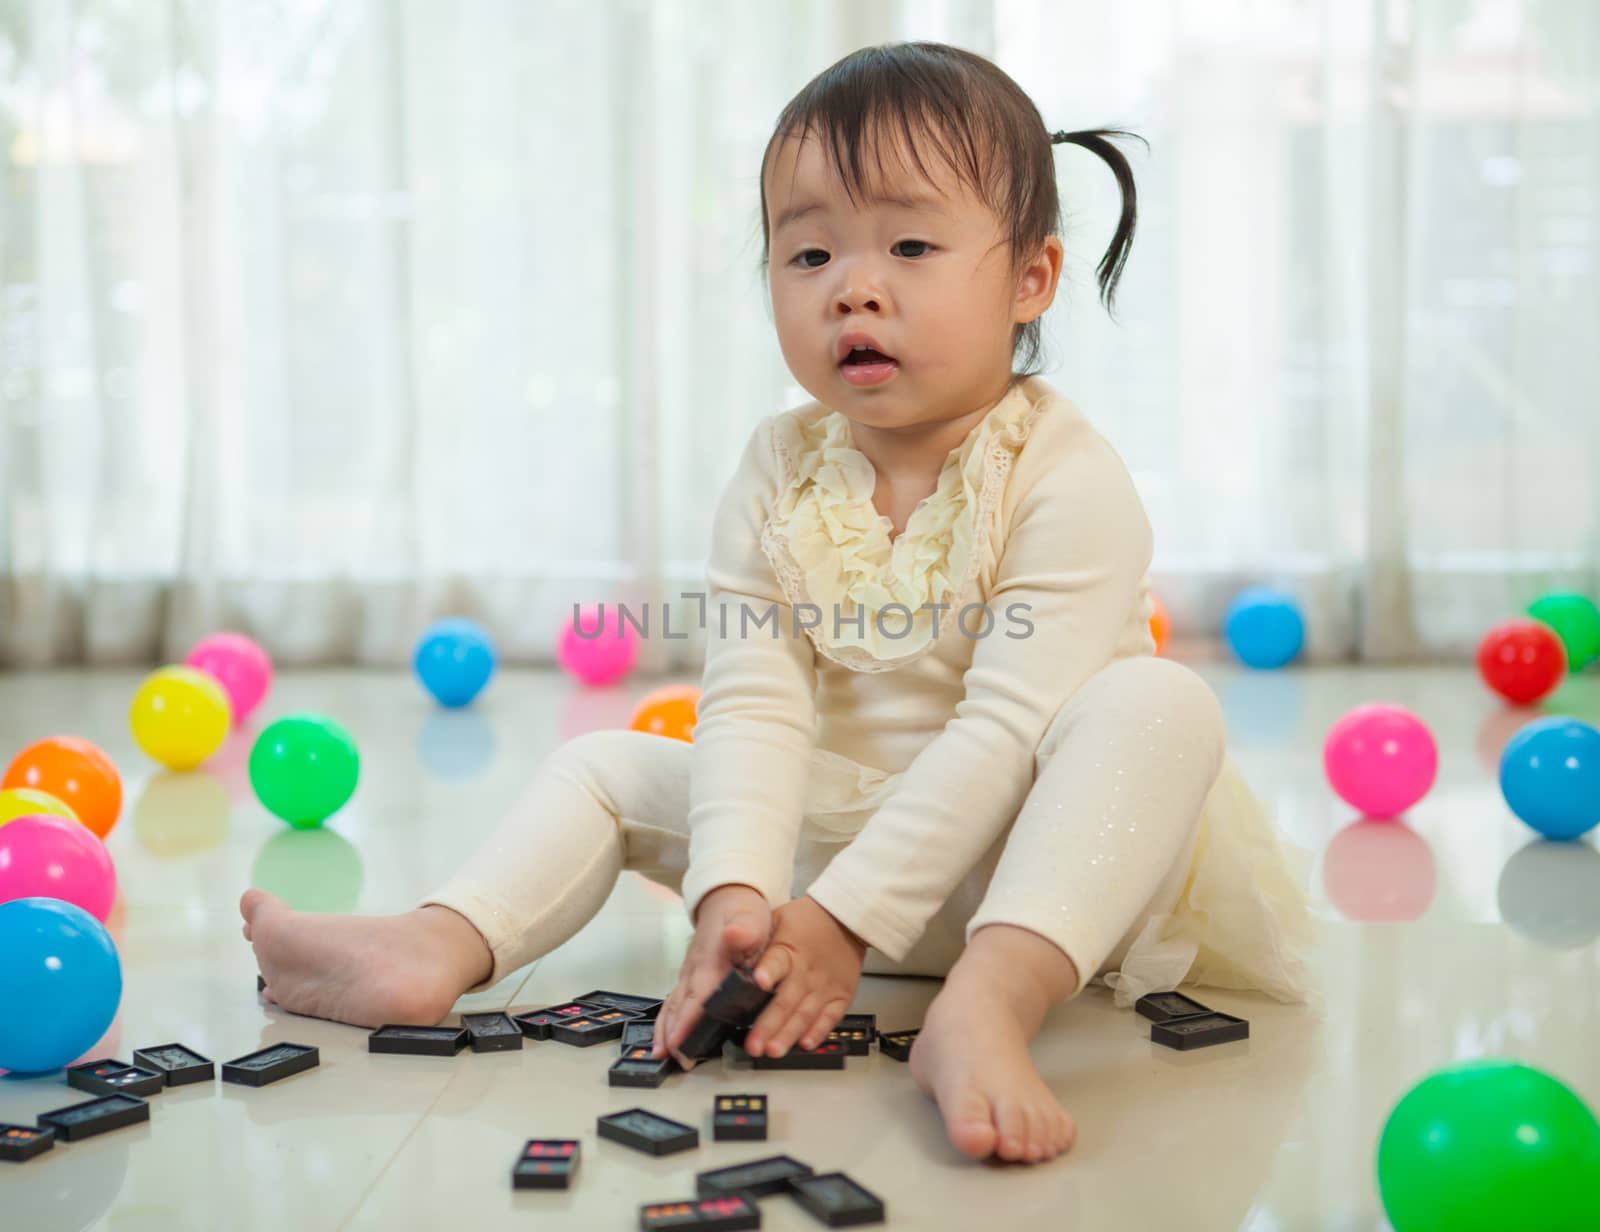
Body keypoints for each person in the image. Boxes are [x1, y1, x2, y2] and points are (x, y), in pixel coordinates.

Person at [241, 41, 1312, 1166]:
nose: (853, 283)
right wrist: (738, 899)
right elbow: (751, 701)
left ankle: (987, 1005)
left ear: (1030, 279)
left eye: (909, 243)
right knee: (606, 765)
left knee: (1156, 704)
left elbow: (1003, 727)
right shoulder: (776, 468)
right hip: (825, 865)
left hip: (1032, 871)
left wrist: (847, 921)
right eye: (808, 252)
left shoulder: (1064, 473)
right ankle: (435, 946)